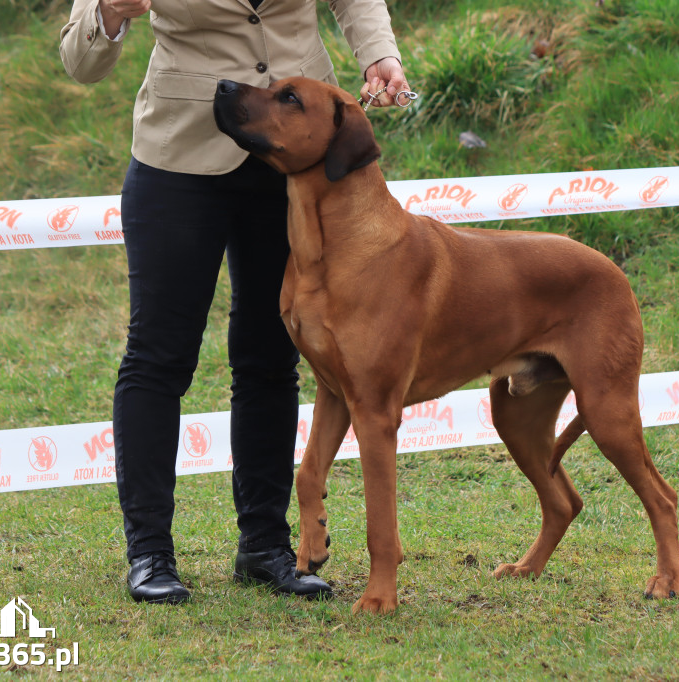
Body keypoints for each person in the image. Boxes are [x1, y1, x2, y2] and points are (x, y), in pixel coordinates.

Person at [59, 0, 411, 604]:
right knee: (158, 357)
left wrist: (379, 53)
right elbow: (80, 59)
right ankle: (149, 553)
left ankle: (265, 548)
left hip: (292, 155)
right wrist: (110, 15)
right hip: (181, 154)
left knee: (271, 357)